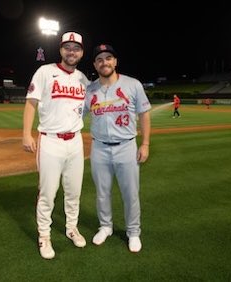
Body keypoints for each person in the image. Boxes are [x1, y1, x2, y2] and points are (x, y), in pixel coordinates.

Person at [22, 31, 90, 259]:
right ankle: (44, 235)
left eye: (76, 48)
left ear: (81, 52)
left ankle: (72, 227)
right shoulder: (45, 71)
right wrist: (26, 134)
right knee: (48, 193)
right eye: (67, 47)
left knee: (74, 192)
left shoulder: (83, 79)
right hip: (50, 140)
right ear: (61, 49)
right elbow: (31, 103)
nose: (72, 52)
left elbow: (94, 106)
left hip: (76, 142)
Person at [84, 44, 152, 253]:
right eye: (100, 59)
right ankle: (105, 226)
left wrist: (146, 144)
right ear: (95, 65)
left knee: (130, 193)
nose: (105, 62)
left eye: (108, 58)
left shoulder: (133, 84)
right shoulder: (90, 89)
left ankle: (133, 232)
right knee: (102, 192)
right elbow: (77, 114)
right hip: (99, 148)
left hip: (126, 147)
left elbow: (144, 114)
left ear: (115, 61)